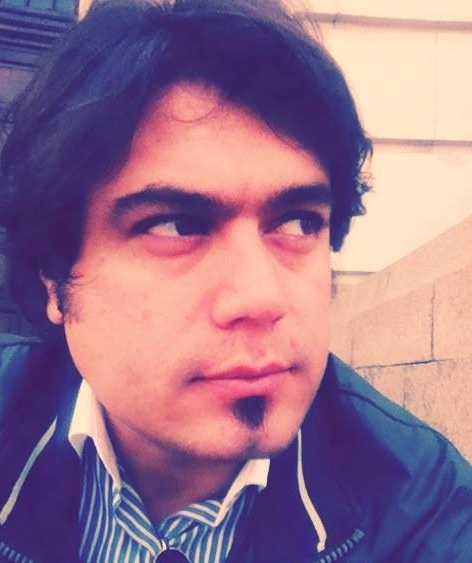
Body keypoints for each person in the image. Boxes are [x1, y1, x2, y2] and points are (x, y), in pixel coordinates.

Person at [0, 1, 471, 561]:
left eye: (298, 223)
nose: (261, 298)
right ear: (52, 278)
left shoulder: (425, 511)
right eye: (176, 226)